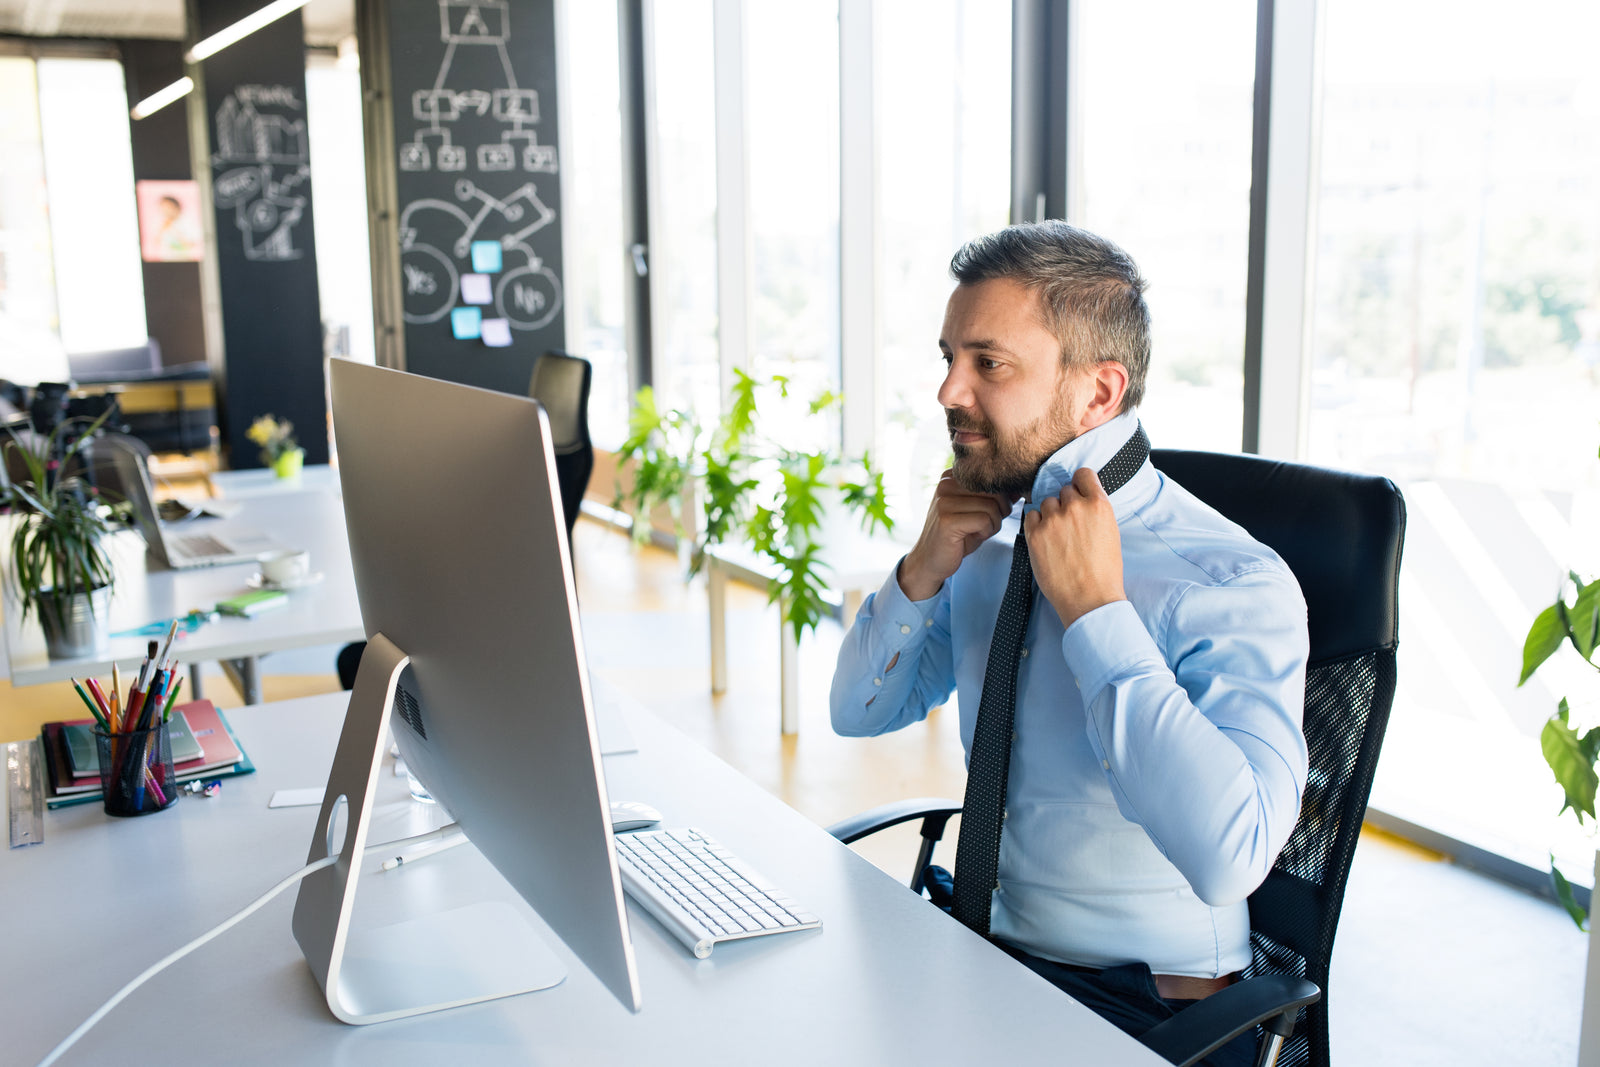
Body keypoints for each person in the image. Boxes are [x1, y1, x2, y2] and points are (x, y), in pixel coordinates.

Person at [830, 221, 1309, 1067]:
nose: (948, 390)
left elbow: (1231, 856)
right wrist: (922, 570)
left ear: (1098, 393)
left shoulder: (1230, 580)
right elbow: (859, 711)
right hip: (976, 956)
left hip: (1143, 1013)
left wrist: (1097, 617)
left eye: (989, 363)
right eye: (947, 357)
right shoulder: (987, 534)